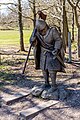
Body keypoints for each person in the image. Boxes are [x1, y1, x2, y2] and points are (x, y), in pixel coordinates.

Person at [30, 19, 65, 93]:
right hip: (42, 53)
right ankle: (46, 83)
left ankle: (54, 86)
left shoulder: (53, 31)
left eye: (44, 29)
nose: (43, 31)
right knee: (44, 68)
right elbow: (32, 42)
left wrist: (56, 48)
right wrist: (32, 38)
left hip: (52, 53)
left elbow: (58, 40)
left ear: (46, 26)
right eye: (41, 30)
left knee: (51, 69)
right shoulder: (37, 33)